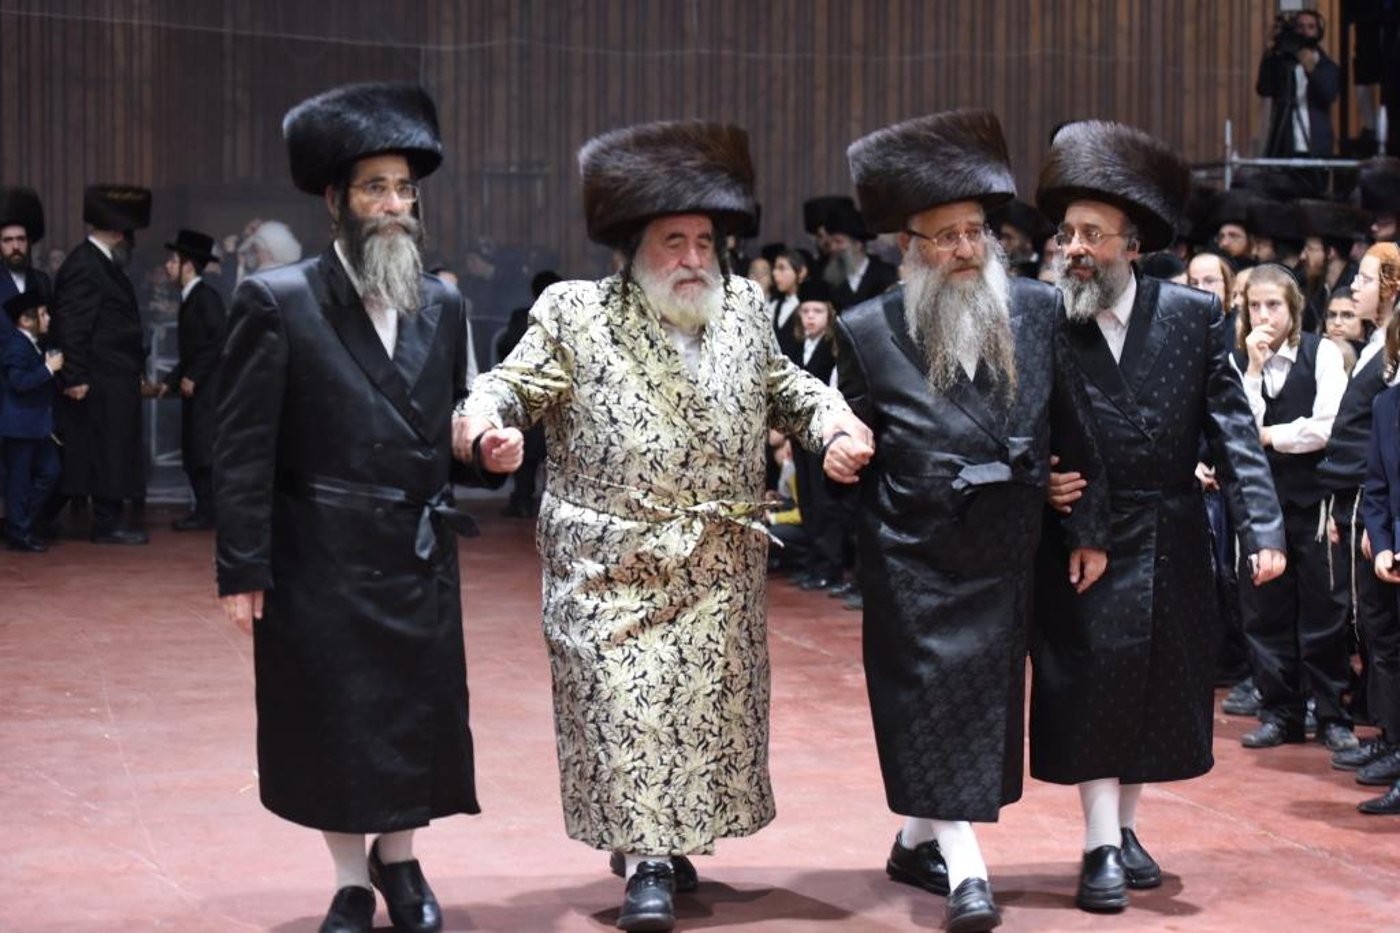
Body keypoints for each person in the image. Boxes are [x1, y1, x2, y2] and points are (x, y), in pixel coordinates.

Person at [454, 119, 871, 933]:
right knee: (627, 707)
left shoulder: (743, 307)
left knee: (696, 715)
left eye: (704, 241)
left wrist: (833, 424)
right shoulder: (577, 313)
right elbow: (507, 385)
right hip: (611, 566)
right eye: (673, 241)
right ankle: (646, 859)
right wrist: (485, 429)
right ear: (633, 248)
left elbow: (786, 385)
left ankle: (662, 837)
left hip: (717, 568)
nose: (692, 258)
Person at [213, 82, 513, 933]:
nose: (393, 205)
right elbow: (242, 447)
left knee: (414, 713)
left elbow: (449, 421)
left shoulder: (441, 302)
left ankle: (403, 860)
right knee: (336, 718)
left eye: (404, 189)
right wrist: (242, 566)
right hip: (320, 554)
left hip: (418, 554)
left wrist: (482, 449)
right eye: (375, 187)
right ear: (334, 199)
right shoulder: (280, 299)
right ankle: (351, 877)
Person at [838, 109, 1110, 933]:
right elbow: (847, 443)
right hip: (913, 556)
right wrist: (836, 457)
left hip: (1007, 554)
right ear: (909, 246)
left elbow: (1078, 430)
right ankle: (967, 872)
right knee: (929, 706)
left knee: (976, 713)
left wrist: (1086, 525)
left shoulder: (1036, 308)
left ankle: (915, 841)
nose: (964, 249)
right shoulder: (865, 329)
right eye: (945, 236)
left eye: (974, 233)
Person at [1034, 120, 1286, 914]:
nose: (1074, 248)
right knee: (1094, 686)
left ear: (1132, 244)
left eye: (1092, 234)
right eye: (1067, 233)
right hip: (1088, 537)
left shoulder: (1192, 315)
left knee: (1150, 692)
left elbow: (1234, 429)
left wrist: (1263, 528)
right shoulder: (1047, 318)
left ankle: (1126, 826)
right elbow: (1023, 427)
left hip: (1173, 533)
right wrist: (1043, 485)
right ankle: (1099, 845)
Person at [1231, 263, 1354, 752]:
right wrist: (1253, 370)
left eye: (1273, 305)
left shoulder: (1322, 352)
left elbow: (1328, 426)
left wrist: (1269, 436)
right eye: (1255, 306)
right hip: (1261, 504)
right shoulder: (1240, 360)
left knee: (1324, 611)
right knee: (1264, 611)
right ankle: (1280, 712)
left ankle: (1331, 714)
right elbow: (1238, 428)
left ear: (1294, 307)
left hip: (1313, 500)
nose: (1263, 316)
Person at [49, 184, 153, 544]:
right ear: (119, 233)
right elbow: (72, 325)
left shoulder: (95, 263)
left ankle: (59, 518)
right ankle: (107, 522)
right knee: (105, 449)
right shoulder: (86, 265)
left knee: (107, 448)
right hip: (99, 376)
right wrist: (74, 376)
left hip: (110, 375)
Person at [1335, 242, 1400, 793]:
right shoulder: (1386, 398)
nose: (1356, 287)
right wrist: (1379, 537)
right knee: (1379, 635)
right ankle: (1391, 735)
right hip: (1383, 531)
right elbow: (1378, 480)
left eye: (1365, 279)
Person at [159, 230, 226, 530]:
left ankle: (207, 513)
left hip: (208, 389)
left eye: (173, 261)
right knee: (194, 450)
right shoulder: (191, 298)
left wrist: (193, 376)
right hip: (197, 387)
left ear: (188, 265)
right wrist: (172, 380)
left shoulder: (205, 298)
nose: (167, 266)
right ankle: (204, 510)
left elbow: (218, 341)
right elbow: (191, 352)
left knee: (203, 451)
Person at [1, 291, 62, 551]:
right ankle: (19, 531)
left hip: (36, 425)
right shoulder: (16, 345)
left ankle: (21, 523)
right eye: (43, 314)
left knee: (51, 471)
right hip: (20, 426)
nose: (48, 318)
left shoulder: (33, 343)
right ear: (26, 320)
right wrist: (48, 369)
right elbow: (19, 383)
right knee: (19, 481)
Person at [1256, 8, 1341, 159]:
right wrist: (1271, 50)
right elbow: (1264, 88)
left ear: (1319, 32)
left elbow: (1328, 93)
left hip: (1316, 146)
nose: (1305, 32)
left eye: (1310, 27)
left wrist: (1310, 65)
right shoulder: (1281, 64)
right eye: (1300, 27)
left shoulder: (1326, 65)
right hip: (1285, 144)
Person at [0, 186, 52, 325]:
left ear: (29, 242)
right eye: (8, 240)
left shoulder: (42, 281)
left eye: (21, 239)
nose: (16, 247)